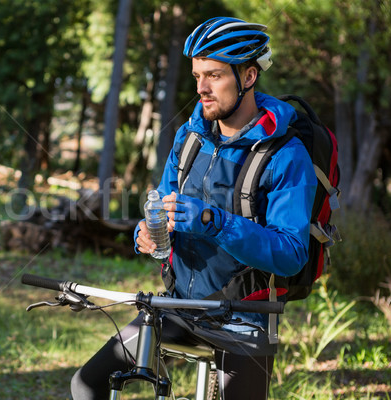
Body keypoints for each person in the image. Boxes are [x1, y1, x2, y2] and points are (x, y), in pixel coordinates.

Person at [70, 16, 317, 400]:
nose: (201, 88)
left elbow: (291, 255)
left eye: (214, 75)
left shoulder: (286, 155)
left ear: (248, 76)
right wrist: (148, 235)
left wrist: (214, 222)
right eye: (197, 75)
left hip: (244, 319)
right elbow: (164, 209)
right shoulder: (190, 138)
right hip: (178, 307)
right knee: (86, 385)